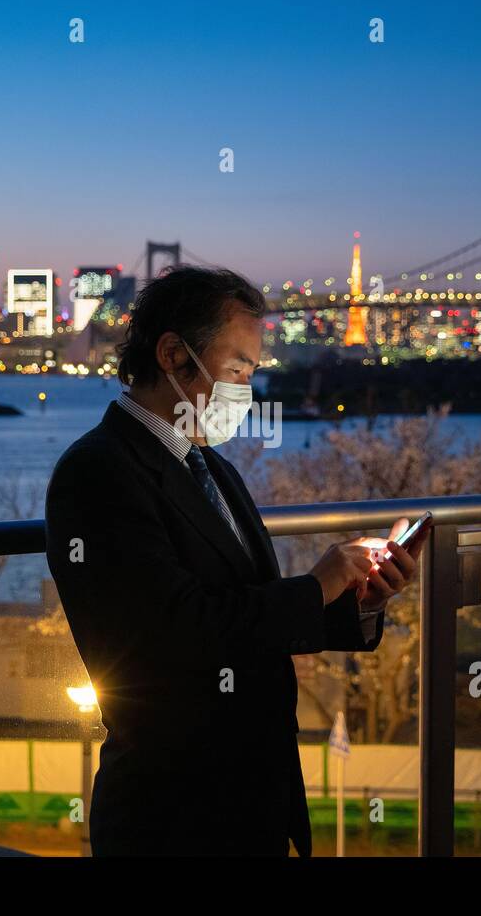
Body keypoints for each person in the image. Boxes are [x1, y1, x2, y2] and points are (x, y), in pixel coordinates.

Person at [44, 266, 425, 856]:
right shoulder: (99, 471)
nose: (247, 389)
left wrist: (359, 601)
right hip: (172, 813)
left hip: (253, 800)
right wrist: (315, 585)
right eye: (238, 369)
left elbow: (248, 613)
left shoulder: (214, 468)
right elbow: (172, 631)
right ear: (173, 354)